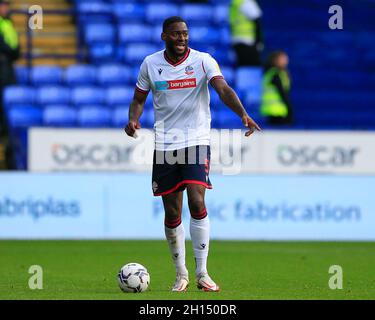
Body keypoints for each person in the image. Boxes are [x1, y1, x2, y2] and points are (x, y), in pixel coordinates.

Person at [124, 16, 260, 292]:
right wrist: (133, 120)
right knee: (172, 211)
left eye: (185, 33)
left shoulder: (202, 60)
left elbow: (222, 89)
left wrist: (243, 114)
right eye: (176, 34)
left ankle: (202, 273)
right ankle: (181, 274)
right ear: (165, 36)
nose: (182, 38)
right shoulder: (151, 64)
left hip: (196, 140)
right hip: (165, 144)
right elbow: (139, 99)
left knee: (197, 201)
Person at [0, 0, 20, 168]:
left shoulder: (9, 22)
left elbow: (15, 48)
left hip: (7, 68)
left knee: (8, 108)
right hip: (2, 67)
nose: (6, 8)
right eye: (3, 5)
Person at [260, 51, 293, 125]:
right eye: (283, 59)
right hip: (278, 111)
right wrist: (289, 109)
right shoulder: (276, 74)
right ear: (276, 60)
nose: (286, 61)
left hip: (272, 110)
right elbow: (282, 93)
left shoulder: (270, 73)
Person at [229, 0, 263, 66]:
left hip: (242, 41)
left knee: (245, 67)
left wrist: (258, 41)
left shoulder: (236, 3)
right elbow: (257, 20)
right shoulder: (245, 2)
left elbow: (257, 21)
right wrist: (259, 41)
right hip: (246, 41)